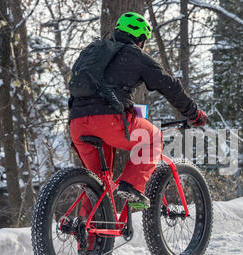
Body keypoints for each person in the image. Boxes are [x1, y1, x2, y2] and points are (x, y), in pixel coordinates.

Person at [69, 12, 207, 209]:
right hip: (109, 120)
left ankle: (88, 232)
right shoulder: (135, 55)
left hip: (77, 123)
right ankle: (132, 186)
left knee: (98, 185)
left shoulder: (93, 53)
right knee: (153, 137)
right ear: (140, 39)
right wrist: (194, 113)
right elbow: (169, 85)